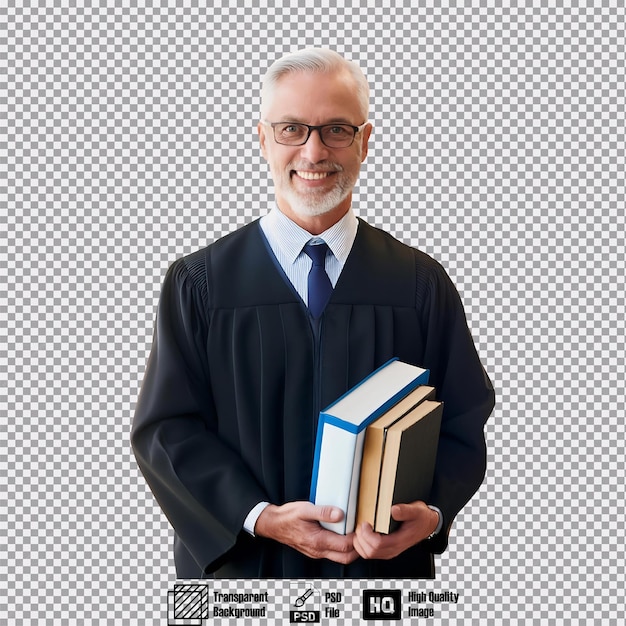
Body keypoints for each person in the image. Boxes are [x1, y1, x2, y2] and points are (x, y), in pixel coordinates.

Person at [131, 48, 495, 579]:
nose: (313, 151)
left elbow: (462, 416)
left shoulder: (419, 284)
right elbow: (166, 429)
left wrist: (434, 513)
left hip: (378, 583)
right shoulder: (200, 283)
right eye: (291, 130)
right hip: (243, 582)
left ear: (365, 141)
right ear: (263, 140)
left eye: (337, 130)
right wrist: (259, 518)